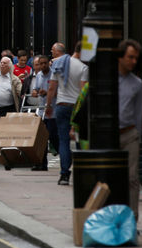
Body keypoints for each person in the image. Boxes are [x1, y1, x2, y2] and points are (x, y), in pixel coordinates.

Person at [45, 42, 89, 185]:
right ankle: (82, 172)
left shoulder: (59, 64)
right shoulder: (83, 67)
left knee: (63, 140)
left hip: (62, 105)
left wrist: (48, 105)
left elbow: (51, 87)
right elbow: (83, 91)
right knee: (79, 139)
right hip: (76, 107)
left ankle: (64, 174)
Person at [117, 39, 142, 220]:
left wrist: (137, 136)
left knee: (132, 178)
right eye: (130, 57)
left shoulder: (137, 83)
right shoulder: (106, 79)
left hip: (129, 134)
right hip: (108, 136)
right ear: (120, 57)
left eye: (136, 58)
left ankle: (132, 219)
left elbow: (138, 113)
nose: (133, 61)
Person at [31, 55, 58, 171]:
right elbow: (36, 89)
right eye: (40, 63)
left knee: (53, 137)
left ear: (48, 63)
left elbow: (58, 92)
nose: (42, 65)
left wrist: (47, 93)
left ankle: (64, 155)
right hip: (42, 110)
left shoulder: (54, 75)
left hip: (53, 111)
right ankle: (42, 163)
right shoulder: (38, 75)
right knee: (41, 138)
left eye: (44, 63)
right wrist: (35, 92)